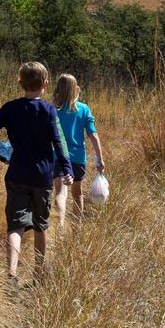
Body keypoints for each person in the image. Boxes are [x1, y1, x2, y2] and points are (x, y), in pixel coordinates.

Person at [0, 62, 72, 289]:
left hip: (17, 173)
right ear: (45, 85)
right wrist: (67, 168)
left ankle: (11, 275)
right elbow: (59, 142)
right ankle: (39, 276)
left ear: (20, 82)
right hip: (43, 176)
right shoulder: (49, 110)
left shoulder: (11, 108)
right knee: (41, 226)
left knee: (15, 226)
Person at [51, 73, 106, 228]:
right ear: (75, 89)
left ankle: (59, 226)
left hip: (57, 157)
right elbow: (93, 135)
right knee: (77, 193)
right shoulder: (83, 109)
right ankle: (77, 229)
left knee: (60, 193)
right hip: (77, 158)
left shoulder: (53, 109)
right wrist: (99, 158)